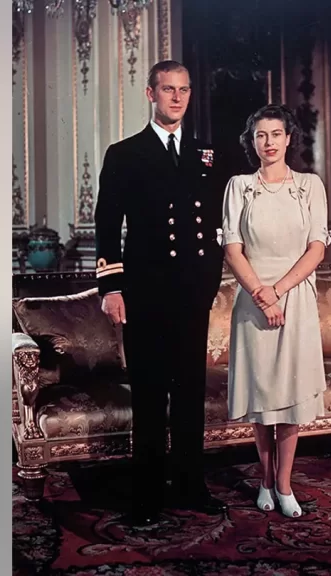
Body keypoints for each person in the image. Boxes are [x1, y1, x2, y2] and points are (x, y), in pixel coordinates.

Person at [94, 60, 229, 527]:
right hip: (146, 294)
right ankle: (148, 496)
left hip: (192, 295)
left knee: (190, 393)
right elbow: (108, 226)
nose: (177, 97)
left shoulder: (207, 153)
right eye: (168, 89)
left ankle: (191, 486)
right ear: (150, 94)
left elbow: (217, 225)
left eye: (184, 90)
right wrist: (111, 287)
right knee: (150, 396)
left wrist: (211, 282)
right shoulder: (125, 153)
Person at [220, 104, 331, 518]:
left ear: (289, 139)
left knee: (289, 398)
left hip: (295, 298)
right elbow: (232, 248)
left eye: (276, 134)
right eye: (260, 135)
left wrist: (280, 292)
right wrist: (260, 294)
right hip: (252, 300)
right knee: (262, 396)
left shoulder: (309, 185)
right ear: (253, 141)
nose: (268, 142)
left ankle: (283, 485)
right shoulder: (238, 186)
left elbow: (316, 247)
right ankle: (263, 479)